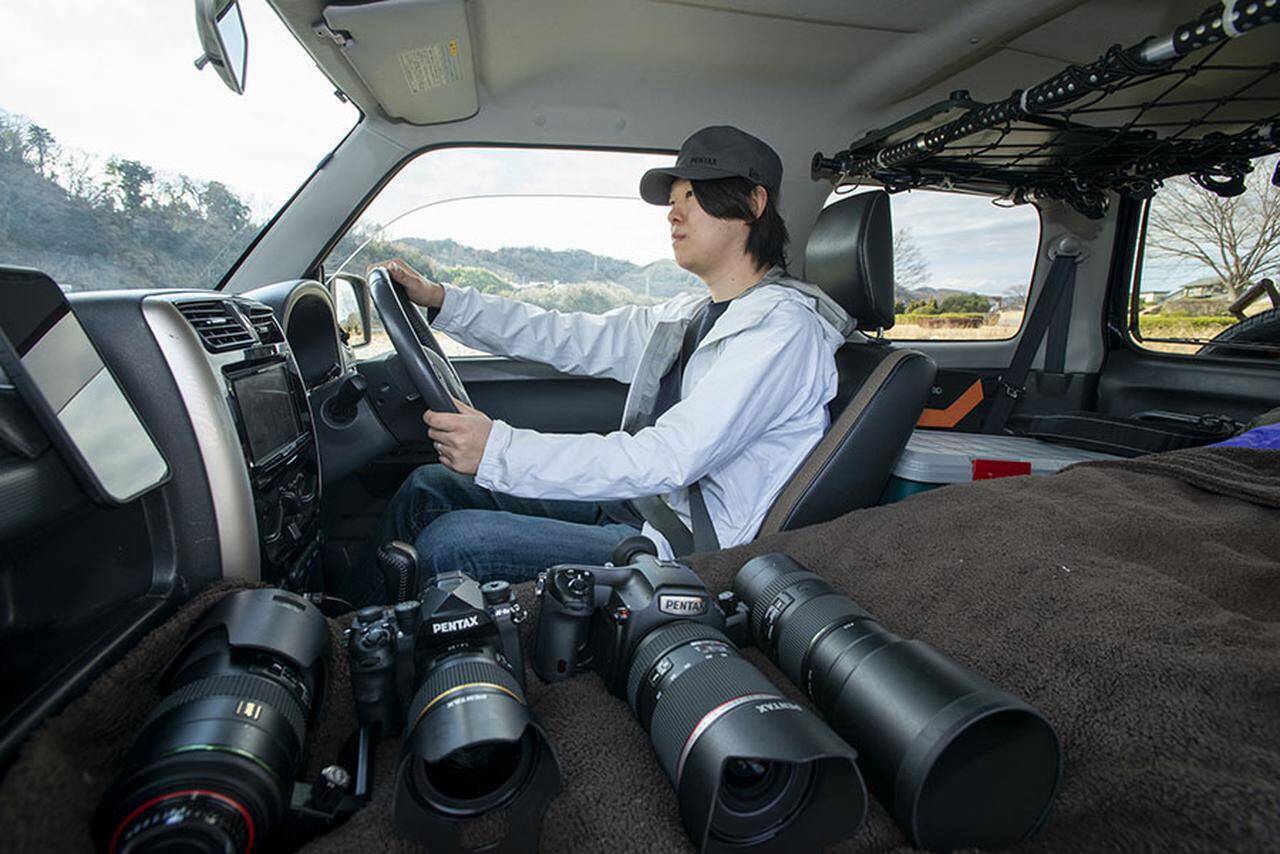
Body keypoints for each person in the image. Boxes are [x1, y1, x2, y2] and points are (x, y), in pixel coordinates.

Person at [343, 126, 854, 606]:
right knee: (427, 488)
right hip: (643, 505)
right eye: (673, 202)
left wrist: (499, 447)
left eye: (692, 198)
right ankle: (346, 629)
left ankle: (358, 664)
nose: (673, 215)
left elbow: (669, 456)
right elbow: (567, 333)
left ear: (752, 202)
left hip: (683, 545)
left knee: (453, 542)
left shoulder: (783, 331)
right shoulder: (693, 313)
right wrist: (443, 300)